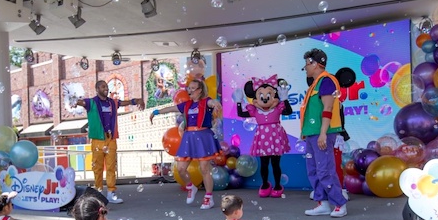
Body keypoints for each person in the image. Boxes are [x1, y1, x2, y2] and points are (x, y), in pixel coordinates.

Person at [150, 79, 222, 209]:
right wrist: (156, 112)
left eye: (193, 88)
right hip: (189, 137)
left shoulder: (206, 102)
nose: (190, 90)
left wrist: (216, 103)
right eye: (189, 88)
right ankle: (191, 187)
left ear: (200, 90)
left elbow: (213, 103)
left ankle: (208, 198)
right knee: (181, 169)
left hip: (203, 136)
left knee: (205, 169)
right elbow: (171, 108)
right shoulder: (186, 105)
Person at [72, 80, 145, 204]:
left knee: (111, 167)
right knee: (98, 168)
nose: (106, 88)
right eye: (103, 86)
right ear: (97, 89)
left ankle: (111, 193)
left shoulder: (112, 102)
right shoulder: (91, 102)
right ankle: (99, 193)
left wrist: (137, 100)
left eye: (106, 86)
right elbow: (82, 102)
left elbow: (124, 102)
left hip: (111, 139)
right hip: (97, 140)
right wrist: (75, 102)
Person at [301, 48, 348, 217]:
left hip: (323, 133)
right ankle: (323, 203)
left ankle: (340, 204)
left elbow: (328, 108)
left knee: (325, 170)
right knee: (313, 170)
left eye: (307, 64)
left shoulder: (326, 81)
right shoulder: (315, 84)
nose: (305, 68)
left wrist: (323, 133)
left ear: (315, 64)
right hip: (312, 133)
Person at [238, 75, 293, 197]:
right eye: (260, 96)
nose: (264, 99)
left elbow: (289, 111)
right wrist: (238, 102)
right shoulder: (255, 110)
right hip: (262, 138)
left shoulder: (278, 108)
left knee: (275, 164)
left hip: (275, 137)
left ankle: (277, 185)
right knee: (264, 163)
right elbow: (241, 113)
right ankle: (264, 184)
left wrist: (285, 99)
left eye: (268, 96)